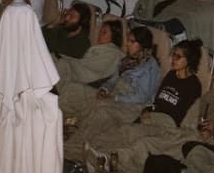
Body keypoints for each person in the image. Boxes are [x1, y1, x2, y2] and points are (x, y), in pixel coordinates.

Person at [80, 40, 205, 173]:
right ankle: (96, 151)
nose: (173, 59)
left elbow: (181, 115)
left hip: (167, 124)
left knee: (136, 137)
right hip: (153, 116)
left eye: (178, 56)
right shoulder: (170, 75)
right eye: (173, 54)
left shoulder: (193, 85)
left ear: (189, 60)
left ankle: (106, 161)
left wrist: (154, 117)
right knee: (125, 130)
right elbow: (157, 101)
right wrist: (148, 110)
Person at [64, 26, 160, 160]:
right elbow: (113, 80)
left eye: (132, 42)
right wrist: (104, 89)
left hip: (132, 106)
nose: (127, 44)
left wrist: (115, 98)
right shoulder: (127, 60)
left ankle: (72, 149)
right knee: (73, 90)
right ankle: (69, 130)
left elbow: (141, 97)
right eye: (128, 40)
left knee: (101, 110)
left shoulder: (150, 65)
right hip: (115, 95)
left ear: (142, 45)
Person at [56, 20, 125, 116]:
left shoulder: (114, 53)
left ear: (113, 36)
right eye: (100, 31)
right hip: (81, 68)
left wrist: (67, 60)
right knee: (54, 58)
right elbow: (85, 62)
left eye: (104, 32)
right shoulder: (99, 48)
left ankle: (55, 96)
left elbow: (95, 67)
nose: (100, 34)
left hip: (89, 75)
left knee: (62, 63)